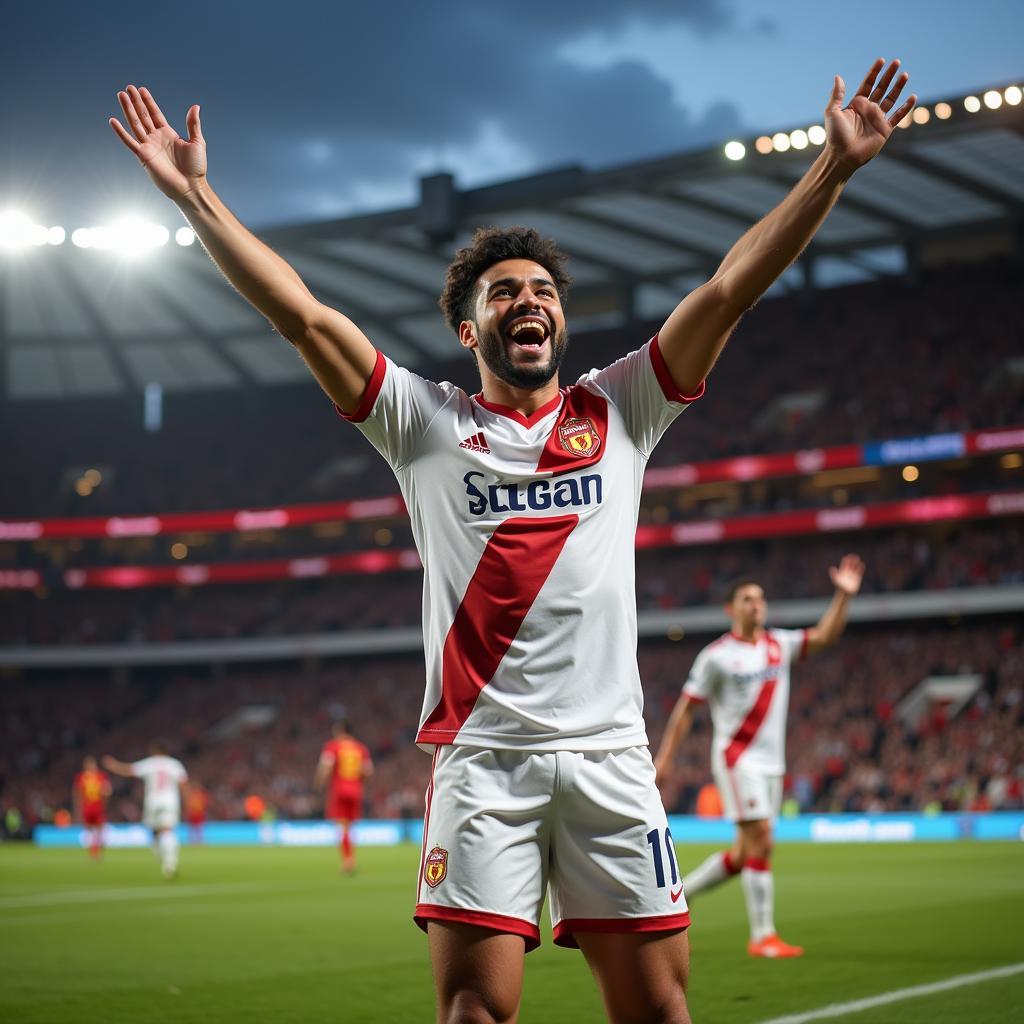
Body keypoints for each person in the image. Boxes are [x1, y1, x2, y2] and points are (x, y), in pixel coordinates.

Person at [109, 60, 913, 1023]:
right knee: (473, 1015)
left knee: (660, 1012)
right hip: (483, 761)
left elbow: (729, 288)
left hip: (613, 755)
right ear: (468, 326)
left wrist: (831, 168)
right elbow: (303, 315)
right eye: (502, 292)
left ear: (561, 318)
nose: (527, 299)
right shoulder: (422, 421)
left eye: (541, 289)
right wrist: (198, 197)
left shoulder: (624, 406)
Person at [654, 557, 865, 959]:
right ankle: (762, 936)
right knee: (762, 841)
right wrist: (665, 760)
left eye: (760, 599)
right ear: (730, 609)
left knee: (745, 851)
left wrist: (843, 595)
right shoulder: (716, 656)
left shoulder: (778, 645)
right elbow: (686, 709)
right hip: (738, 759)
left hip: (772, 764)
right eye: (748, 599)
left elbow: (824, 637)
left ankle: (685, 894)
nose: (757, 605)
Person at [103, 743, 189, 879]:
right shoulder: (174, 764)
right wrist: (188, 800)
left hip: (153, 802)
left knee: (155, 831)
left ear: (155, 751)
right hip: (170, 801)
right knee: (167, 830)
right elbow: (183, 782)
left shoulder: (150, 763)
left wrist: (114, 765)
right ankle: (170, 864)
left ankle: (161, 855)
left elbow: (129, 770)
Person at [314, 720, 374, 873]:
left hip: (340, 789)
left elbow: (326, 766)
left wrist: (319, 784)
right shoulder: (361, 748)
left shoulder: (333, 746)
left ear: (340, 730)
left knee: (343, 826)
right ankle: (350, 859)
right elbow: (368, 771)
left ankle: (348, 861)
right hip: (356, 789)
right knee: (349, 827)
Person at [72, 755, 111, 860]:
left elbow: (78, 793)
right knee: (97, 830)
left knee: (91, 830)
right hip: (95, 807)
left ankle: (94, 852)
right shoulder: (100, 776)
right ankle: (96, 853)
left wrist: (78, 807)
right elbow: (107, 791)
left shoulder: (82, 777)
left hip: (89, 807)